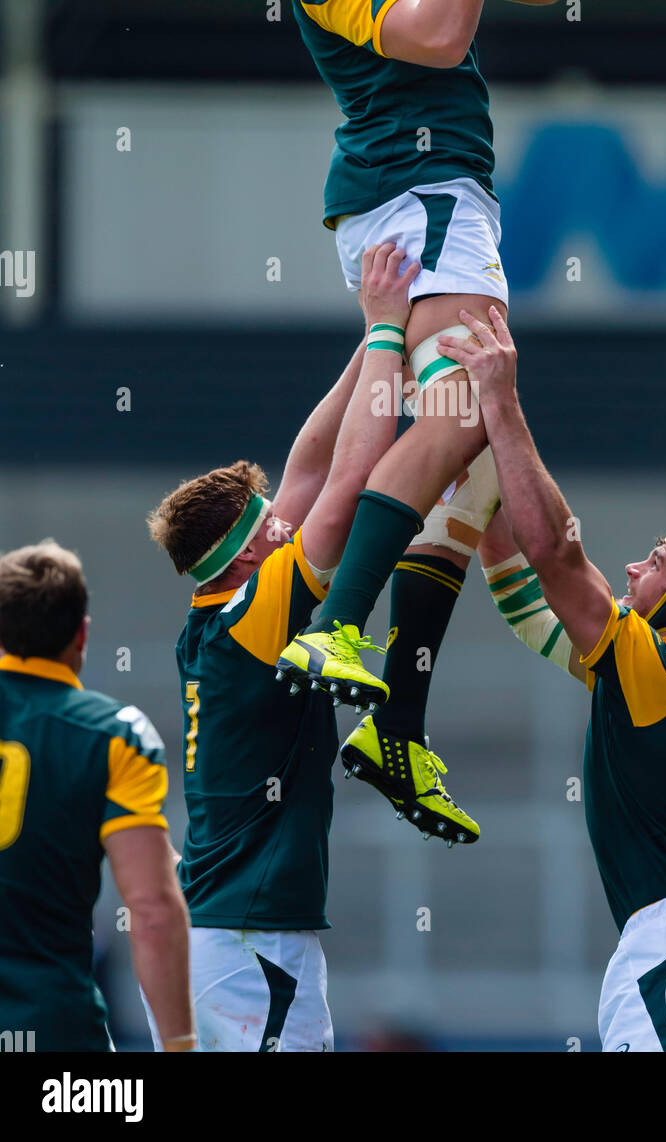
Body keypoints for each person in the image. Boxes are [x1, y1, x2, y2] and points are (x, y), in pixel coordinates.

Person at [282, 0, 571, 835]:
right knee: (454, 418)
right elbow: (442, 36)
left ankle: (397, 721)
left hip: (451, 201)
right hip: (410, 200)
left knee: (471, 452)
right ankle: (342, 626)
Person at [436, 305, 666, 1052]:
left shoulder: (659, 665)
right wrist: (480, 472)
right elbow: (528, 604)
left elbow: (556, 556)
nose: (632, 568)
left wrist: (501, 402)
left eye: (656, 560)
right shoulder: (662, 672)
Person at [146, 244, 423, 1052]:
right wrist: (382, 336)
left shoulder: (224, 605)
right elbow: (349, 481)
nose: (286, 523)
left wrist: (378, 333)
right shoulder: (254, 614)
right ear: (243, 557)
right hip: (249, 944)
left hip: (239, 938)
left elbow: (307, 465)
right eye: (271, 527)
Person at [0, 541, 194, 1052]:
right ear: (82, 634)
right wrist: (180, 1044)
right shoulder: (114, 734)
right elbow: (149, 909)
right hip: (54, 1034)